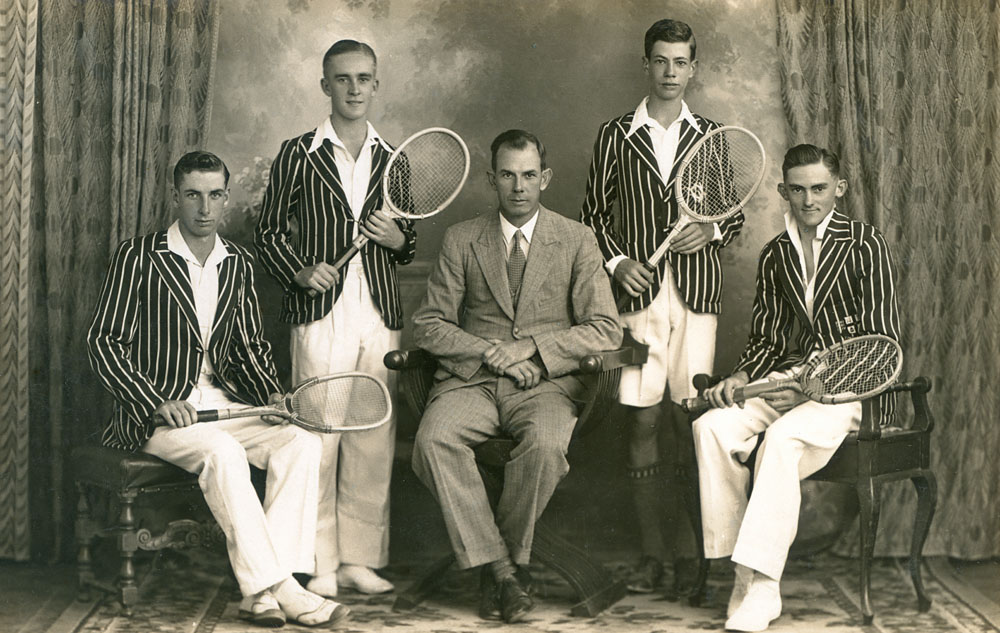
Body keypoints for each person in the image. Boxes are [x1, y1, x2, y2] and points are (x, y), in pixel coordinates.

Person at [87, 151, 349, 628]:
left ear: (225, 198)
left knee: (301, 443)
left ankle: (264, 592)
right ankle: (280, 589)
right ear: (176, 197)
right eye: (193, 195)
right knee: (224, 454)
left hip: (227, 405)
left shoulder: (240, 261)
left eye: (214, 195)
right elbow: (103, 342)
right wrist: (155, 402)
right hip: (160, 414)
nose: (204, 208)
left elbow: (249, 345)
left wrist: (272, 395)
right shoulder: (138, 256)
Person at [411, 130, 622, 623]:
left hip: (545, 384)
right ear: (491, 179)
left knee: (546, 446)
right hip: (474, 382)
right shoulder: (463, 237)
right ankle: (506, 570)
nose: (519, 187)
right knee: (434, 439)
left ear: (544, 178)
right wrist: (491, 352)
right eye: (507, 175)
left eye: (529, 175)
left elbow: (606, 328)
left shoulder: (576, 238)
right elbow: (428, 324)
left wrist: (531, 349)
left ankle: (495, 564)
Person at [692, 144, 900, 632]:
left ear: (838, 189)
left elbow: (879, 344)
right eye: (798, 189)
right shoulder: (776, 253)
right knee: (711, 429)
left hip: (848, 391)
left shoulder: (865, 243)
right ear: (783, 191)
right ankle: (738, 572)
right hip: (785, 380)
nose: (809, 200)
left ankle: (763, 586)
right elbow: (767, 338)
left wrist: (811, 389)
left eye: (820, 189)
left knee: (782, 441)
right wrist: (743, 377)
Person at [580, 18, 745, 595]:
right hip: (638, 301)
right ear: (645, 65)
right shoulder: (614, 135)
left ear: (693, 68)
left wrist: (712, 233)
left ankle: (694, 555)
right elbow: (593, 218)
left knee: (688, 417)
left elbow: (734, 214)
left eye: (680, 62)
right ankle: (655, 553)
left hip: (696, 299)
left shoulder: (712, 135)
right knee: (645, 417)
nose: (670, 72)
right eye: (660, 61)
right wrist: (616, 263)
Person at [255, 39, 415, 597]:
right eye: (342, 79)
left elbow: (407, 242)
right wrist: (300, 271)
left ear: (376, 84)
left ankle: (359, 560)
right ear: (325, 85)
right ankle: (319, 563)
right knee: (318, 438)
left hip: (378, 315)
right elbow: (268, 234)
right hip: (319, 314)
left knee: (372, 437)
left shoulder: (395, 157)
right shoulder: (297, 153)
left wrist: (397, 238)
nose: (353, 88)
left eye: (364, 78)